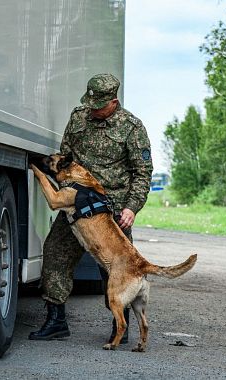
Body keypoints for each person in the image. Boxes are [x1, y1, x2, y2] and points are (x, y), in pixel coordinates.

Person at [28, 73, 153, 343]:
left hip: (111, 209)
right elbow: (65, 154)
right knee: (55, 253)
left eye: (99, 105)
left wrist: (131, 208)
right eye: (90, 102)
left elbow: (142, 174)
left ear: (114, 102)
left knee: (119, 267)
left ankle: (120, 326)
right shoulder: (78, 117)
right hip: (76, 202)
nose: (93, 109)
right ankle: (56, 320)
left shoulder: (132, 128)